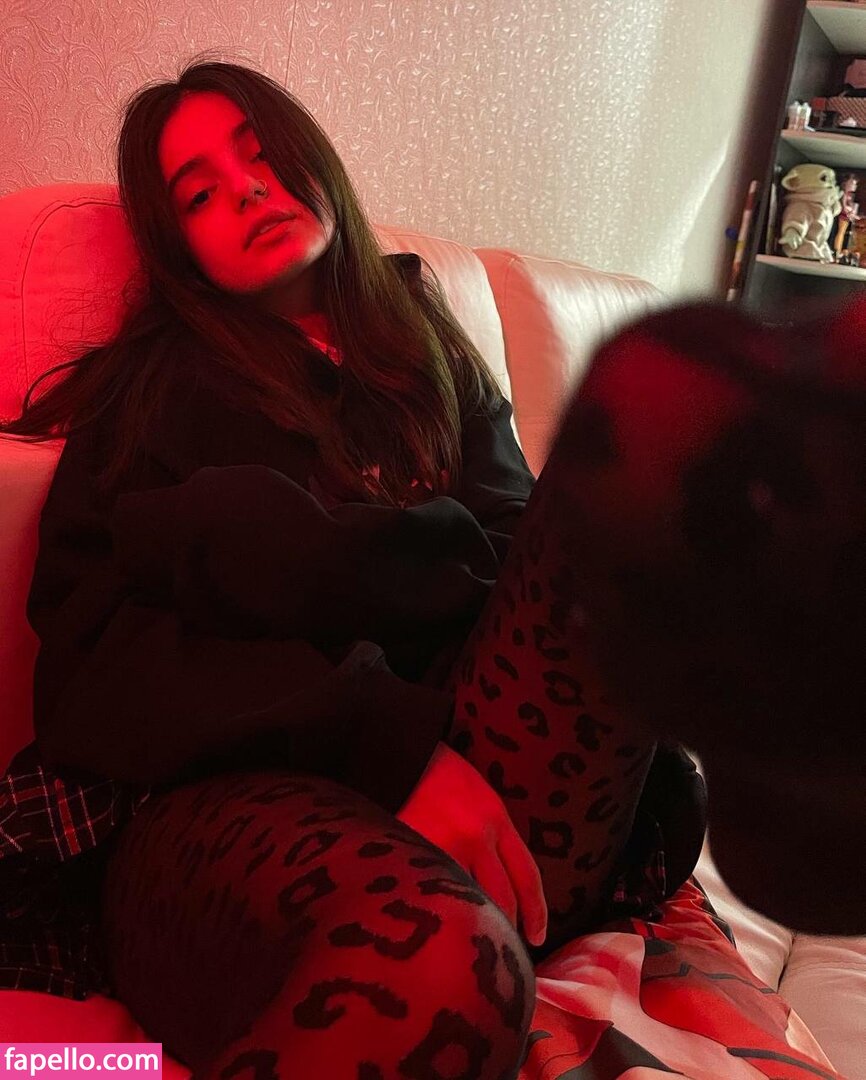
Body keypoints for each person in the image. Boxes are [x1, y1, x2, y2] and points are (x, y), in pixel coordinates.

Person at [0, 57, 709, 1079]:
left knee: (631, 479)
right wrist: (388, 738)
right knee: (443, 965)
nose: (246, 189)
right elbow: (96, 668)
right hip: (231, 806)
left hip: (498, 780)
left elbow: (522, 560)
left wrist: (289, 549)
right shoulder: (150, 392)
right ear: (177, 245)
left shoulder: (425, 347)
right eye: (199, 193)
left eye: (260, 154)